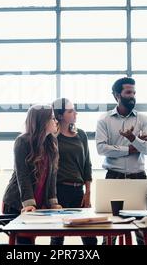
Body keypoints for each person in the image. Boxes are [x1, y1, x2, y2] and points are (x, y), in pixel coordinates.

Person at [96, 77, 147, 244]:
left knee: (143, 230)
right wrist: (132, 147)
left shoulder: (143, 119)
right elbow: (101, 149)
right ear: (116, 95)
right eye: (128, 92)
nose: (133, 96)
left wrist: (132, 138)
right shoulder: (104, 120)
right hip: (114, 177)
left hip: (138, 178)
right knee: (110, 232)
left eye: (134, 92)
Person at [2, 104, 62, 244]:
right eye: (52, 118)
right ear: (43, 121)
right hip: (16, 203)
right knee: (25, 244)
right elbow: (22, 175)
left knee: (29, 241)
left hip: (38, 204)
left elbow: (52, 176)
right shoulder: (22, 141)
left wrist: (53, 202)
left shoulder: (52, 142)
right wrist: (28, 204)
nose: (56, 121)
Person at [50, 98, 97, 245]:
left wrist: (88, 192)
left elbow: (87, 165)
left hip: (78, 191)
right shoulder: (52, 137)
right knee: (57, 237)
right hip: (59, 191)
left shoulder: (81, 135)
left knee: (90, 237)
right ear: (59, 115)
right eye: (70, 111)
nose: (75, 113)